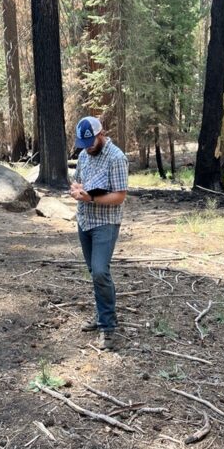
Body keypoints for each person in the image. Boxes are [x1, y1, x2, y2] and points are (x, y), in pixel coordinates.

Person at [69, 116, 128, 350]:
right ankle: (102, 315)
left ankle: (108, 326)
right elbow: (77, 182)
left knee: (101, 271)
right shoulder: (83, 155)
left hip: (106, 222)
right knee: (95, 272)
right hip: (84, 220)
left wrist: (91, 197)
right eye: (84, 144)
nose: (88, 147)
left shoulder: (116, 158)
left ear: (101, 133)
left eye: (91, 142)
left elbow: (120, 196)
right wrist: (77, 190)